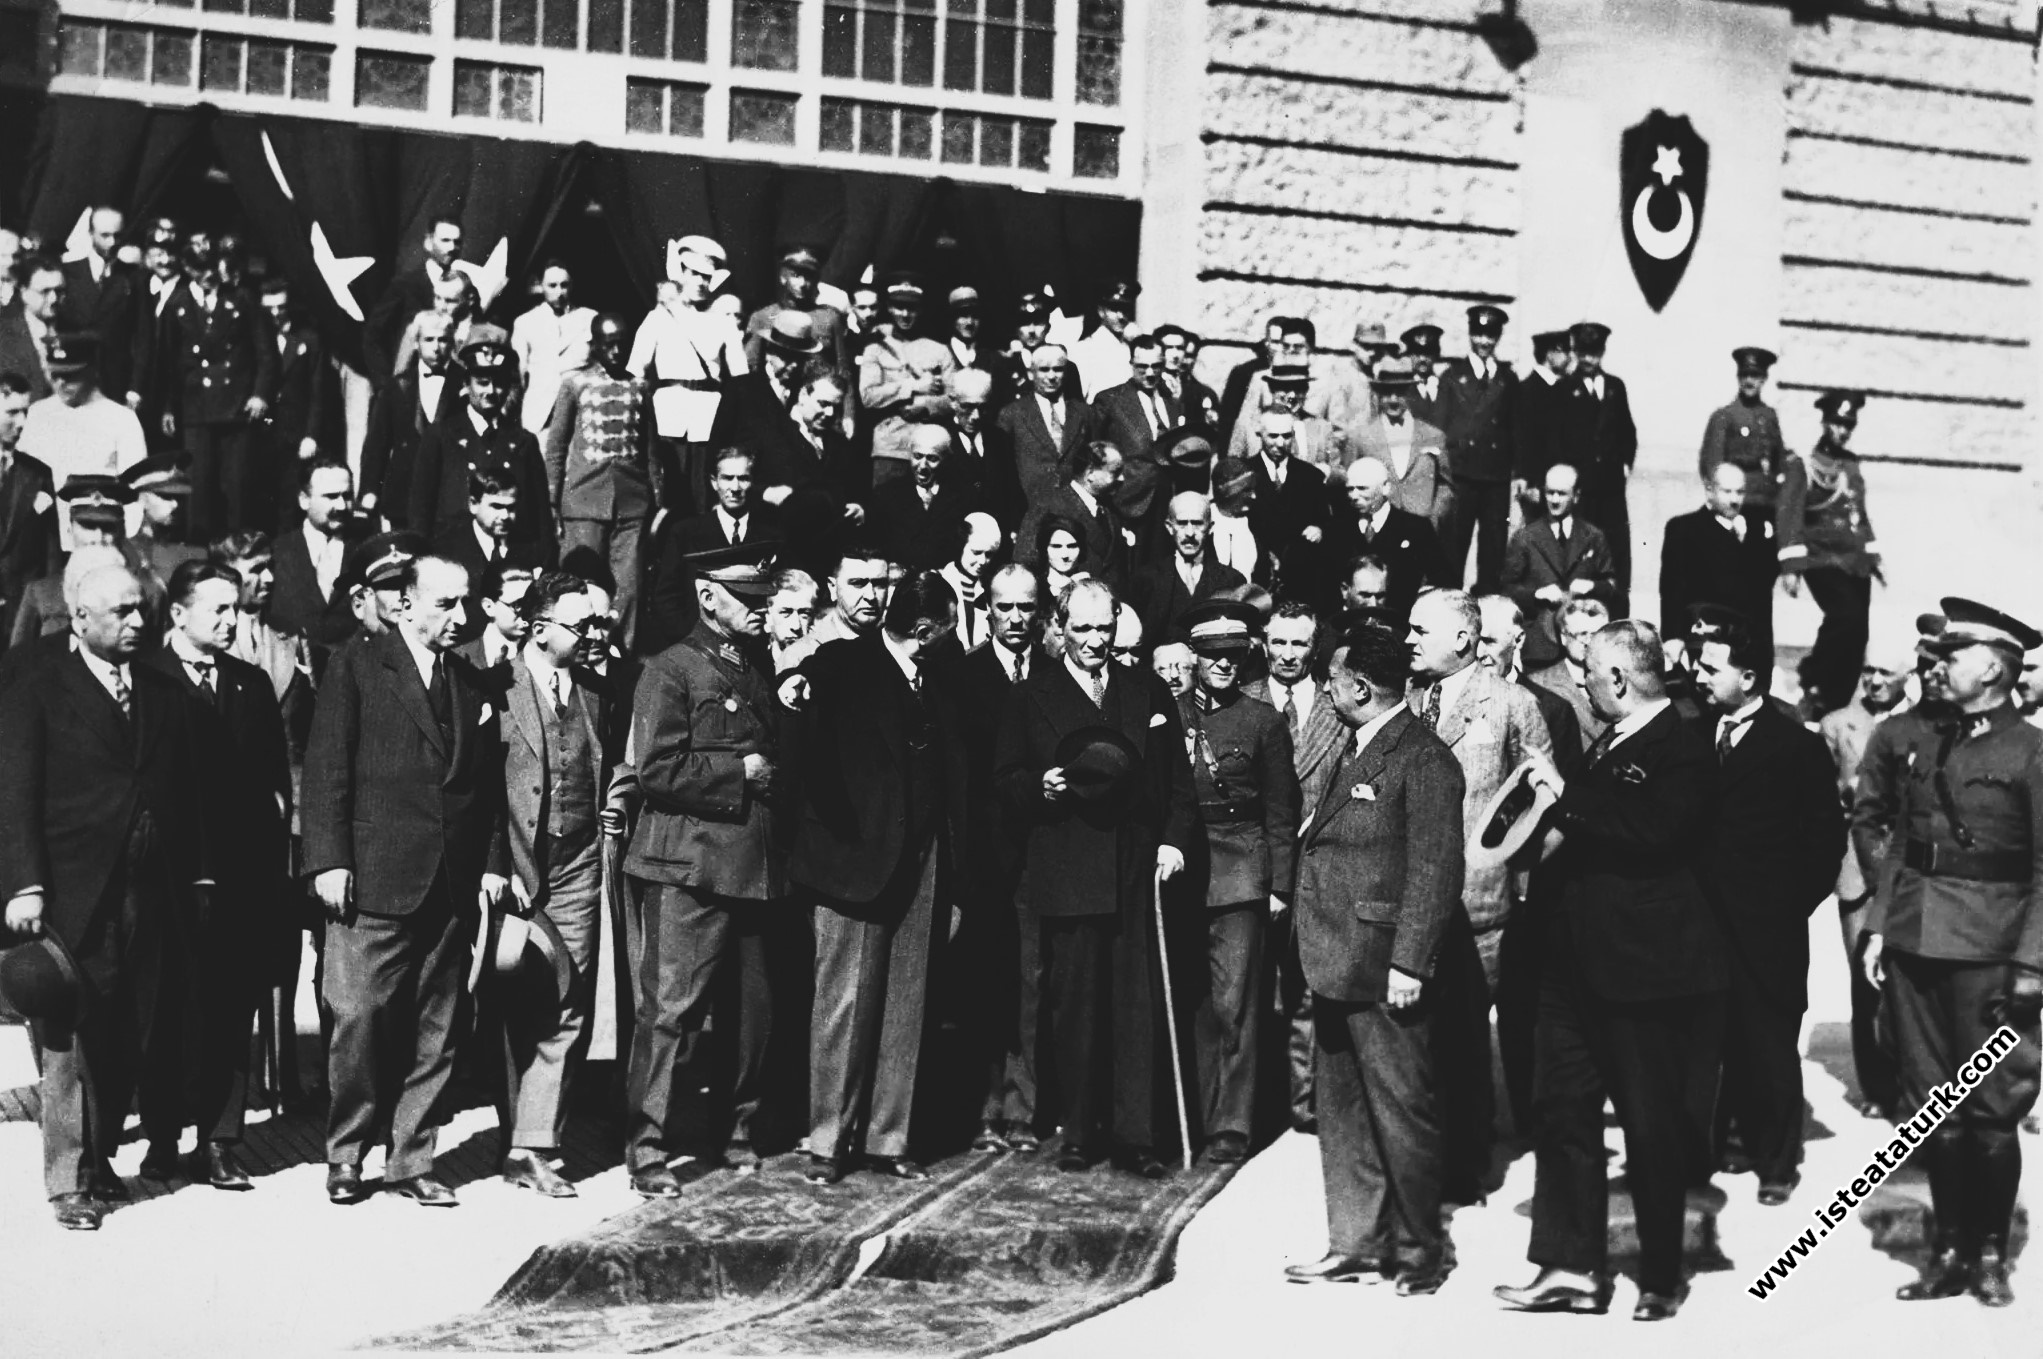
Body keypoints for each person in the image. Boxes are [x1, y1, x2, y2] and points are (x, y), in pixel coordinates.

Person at [1496, 620, 1728, 1322]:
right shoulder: (1612, 742)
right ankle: (1569, 1266)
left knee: (1647, 1123)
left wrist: (1565, 793)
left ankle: (1660, 1274)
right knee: (1561, 1113)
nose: (1584, 679)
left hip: (1641, 973)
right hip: (1570, 969)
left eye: (1591, 670)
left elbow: (1649, 832)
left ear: (1620, 679)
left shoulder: (1681, 751)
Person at [0, 561, 213, 1229]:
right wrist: (25, 885)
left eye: (139, 609)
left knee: (129, 1030)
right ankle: (69, 1181)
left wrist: (200, 873)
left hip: (149, 891)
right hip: (70, 892)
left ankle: (97, 1162)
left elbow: (187, 788)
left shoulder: (159, 685)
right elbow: (15, 793)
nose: (136, 621)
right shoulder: (37, 682)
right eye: (120, 612)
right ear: (81, 619)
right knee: (69, 1035)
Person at [300, 554, 509, 1207]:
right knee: (358, 1014)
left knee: (436, 1026)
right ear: (406, 604)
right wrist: (328, 859)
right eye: (445, 603)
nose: (461, 615)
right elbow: (327, 767)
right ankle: (347, 1151)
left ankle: (411, 1158)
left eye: (466, 602)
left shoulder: (470, 682)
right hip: (373, 877)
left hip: (448, 883)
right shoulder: (357, 667)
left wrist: (495, 863)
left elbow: (487, 788)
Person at [1859, 599, 2043, 1307]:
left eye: (1955, 654)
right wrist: (1880, 925)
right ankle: (1945, 1246)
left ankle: (1989, 1252)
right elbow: (1902, 837)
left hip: (1990, 957)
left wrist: (2030, 965)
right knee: (1930, 1106)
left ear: (1993, 666)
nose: (1939, 664)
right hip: (1915, 945)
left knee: (1991, 1111)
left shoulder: (2030, 750)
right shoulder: (1925, 739)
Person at [1284, 623, 1464, 1294]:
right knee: (1343, 1113)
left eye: (1331, 678)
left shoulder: (1420, 758)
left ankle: (1419, 1252)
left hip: (1381, 968)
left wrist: (1410, 963)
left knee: (1400, 1112)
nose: (1325, 687)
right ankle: (1354, 1241)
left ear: (1359, 686)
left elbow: (1434, 868)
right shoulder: (1359, 745)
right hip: (1335, 961)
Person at [994, 578, 1196, 1176]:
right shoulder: (1030, 696)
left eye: (1103, 628)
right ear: (1059, 629)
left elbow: (1177, 787)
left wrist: (1172, 844)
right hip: (1069, 865)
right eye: (1081, 629)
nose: (1094, 640)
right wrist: (1039, 787)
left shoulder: (1147, 689)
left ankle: (1136, 1135)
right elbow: (1004, 780)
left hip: (1138, 869)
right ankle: (1081, 1134)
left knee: (1137, 1005)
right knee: (1075, 1007)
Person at [622, 542, 790, 1190]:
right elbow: (656, 769)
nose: (759, 609)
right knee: (669, 1012)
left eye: (761, 598)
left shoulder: (759, 666)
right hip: (686, 866)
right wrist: (737, 772)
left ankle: (738, 1129)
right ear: (707, 597)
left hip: (754, 865)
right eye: (746, 598)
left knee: (753, 1014)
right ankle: (647, 1149)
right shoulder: (670, 668)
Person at [789, 572, 965, 1183]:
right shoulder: (839, 665)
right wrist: (841, 843)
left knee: (905, 1005)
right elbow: (807, 759)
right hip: (852, 870)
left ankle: (888, 1140)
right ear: (922, 630)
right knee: (844, 1007)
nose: (953, 640)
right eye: (946, 630)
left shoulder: (939, 678)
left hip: (923, 863)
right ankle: (827, 1143)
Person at [137, 560, 292, 1190]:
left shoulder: (249, 685)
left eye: (238, 610)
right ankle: (162, 1136)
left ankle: (220, 1140)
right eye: (219, 610)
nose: (234, 622)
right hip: (165, 879)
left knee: (230, 1009)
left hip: (238, 879)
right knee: (166, 1006)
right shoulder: (147, 677)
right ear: (179, 613)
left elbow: (273, 784)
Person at [1687, 607, 1844, 1205]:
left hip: (1768, 933)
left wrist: (1781, 910)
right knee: (1712, 1042)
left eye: (1710, 668)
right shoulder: (1697, 735)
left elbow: (1824, 845)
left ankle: (1777, 1162)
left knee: (1769, 1046)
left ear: (1749, 676)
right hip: (1702, 928)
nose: (1699, 678)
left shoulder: (1796, 747)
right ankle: (1723, 1143)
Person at [1405, 587, 1550, 1202]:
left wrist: (1515, 887)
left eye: (1420, 630)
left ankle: (1466, 1169)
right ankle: (1421, 1165)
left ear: (1462, 640)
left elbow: (1540, 806)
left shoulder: (1513, 705)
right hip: (1414, 902)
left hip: (1481, 903)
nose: (1408, 640)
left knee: (1466, 1043)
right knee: (1420, 1041)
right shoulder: (1408, 701)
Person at [490, 571, 628, 1198]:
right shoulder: (495, 685)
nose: (594, 635)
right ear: (540, 630)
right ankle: (511, 1131)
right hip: (513, 868)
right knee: (507, 1001)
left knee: (566, 1002)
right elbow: (477, 788)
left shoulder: (597, 693)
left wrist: (615, 803)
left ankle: (533, 1146)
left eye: (597, 623)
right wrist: (499, 866)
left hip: (577, 867)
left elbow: (617, 766)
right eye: (581, 626)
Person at [1176, 597, 1299, 1165]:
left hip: (1241, 873)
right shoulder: (1170, 712)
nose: (1224, 665)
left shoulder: (1263, 722)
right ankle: (1188, 1113)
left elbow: (1279, 809)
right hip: (1181, 870)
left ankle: (1231, 1123)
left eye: (1233, 655)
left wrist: (1277, 884)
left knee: (1235, 1004)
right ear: (1195, 656)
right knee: (1191, 1000)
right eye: (1212, 655)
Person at [951, 564, 1048, 1150]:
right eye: (1004, 607)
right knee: (985, 983)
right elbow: (961, 780)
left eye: (1026, 608)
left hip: (1040, 855)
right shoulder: (964, 678)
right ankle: (985, 1108)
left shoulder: (1055, 676)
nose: (1015, 619)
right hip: (985, 858)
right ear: (987, 609)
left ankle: (1024, 1111)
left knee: (1032, 983)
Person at [1242, 602, 1345, 1130]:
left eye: (1298, 644)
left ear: (1315, 645)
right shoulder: (1242, 697)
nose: (1286, 655)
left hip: (1318, 872)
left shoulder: (1338, 706)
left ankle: (1305, 1103)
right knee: (1252, 991)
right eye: (1277, 643)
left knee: (1308, 991)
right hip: (1254, 868)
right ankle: (1257, 1105)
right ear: (1264, 642)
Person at [1820, 637, 1913, 1119]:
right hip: (1858, 868)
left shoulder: (1925, 722)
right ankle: (1878, 1087)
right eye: (1869, 670)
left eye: (1886, 673)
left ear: (1907, 677)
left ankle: (1913, 1081)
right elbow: (1819, 792)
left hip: (1913, 868)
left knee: (1912, 982)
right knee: (1866, 978)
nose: (1875, 680)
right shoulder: (1838, 724)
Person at [543, 312, 656, 645]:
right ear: (594, 346)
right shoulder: (574, 385)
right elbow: (556, 448)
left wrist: (658, 504)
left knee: (630, 586)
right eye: (609, 345)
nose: (617, 352)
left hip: (632, 504)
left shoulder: (639, 387)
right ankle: (574, 648)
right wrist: (553, 499)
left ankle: (623, 652)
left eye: (623, 345)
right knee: (578, 582)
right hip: (583, 500)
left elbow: (652, 453)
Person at [155, 241, 277, 540]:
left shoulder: (241, 300)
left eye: (210, 267)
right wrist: (170, 406)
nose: (207, 275)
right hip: (197, 408)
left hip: (236, 408)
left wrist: (260, 393)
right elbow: (171, 361)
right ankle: (198, 552)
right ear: (187, 269)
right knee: (199, 489)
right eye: (199, 268)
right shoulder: (177, 305)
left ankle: (239, 551)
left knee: (237, 488)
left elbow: (266, 353)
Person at [628, 235, 749, 514]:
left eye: (706, 276)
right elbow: (635, 371)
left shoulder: (722, 322)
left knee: (703, 493)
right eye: (694, 273)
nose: (700, 282)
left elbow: (741, 378)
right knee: (667, 491)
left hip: (708, 416)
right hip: (667, 415)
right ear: (681, 273)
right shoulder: (659, 317)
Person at [1779, 390, 1879, 716]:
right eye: (1837, 423)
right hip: (1822, 559)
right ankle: (1813, 679)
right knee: (1844, 618)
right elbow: (1790, 512)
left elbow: (1858, 512)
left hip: (1855, 562)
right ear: (1824, 422)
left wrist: (1873, 554)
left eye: (1848, 425)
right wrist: (1791, 566)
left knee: (1858, 633)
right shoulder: (1805, 465)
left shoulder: (1851, 464)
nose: (1843, 431)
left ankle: (1836, 702)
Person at [410, 340, 554, 565]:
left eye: (498, 384)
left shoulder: (523, 442)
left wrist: (545, 565)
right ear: (466, 384)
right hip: (452, 557)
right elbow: (421, 508)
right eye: (482, 383)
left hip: (511, 560)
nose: (490, 391)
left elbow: (541, 517)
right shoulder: (441, 436)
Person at [642, 446, 783, 656]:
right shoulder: (685, 533)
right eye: (727, 478)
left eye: (743, 478)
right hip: (697, 649)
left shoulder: (771, 536)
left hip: (756, 650)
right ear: (714, 482)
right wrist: (693, 644)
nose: (735, 487)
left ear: (753, 482)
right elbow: (666, 598)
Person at [18, 334, 148, 553]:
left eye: (70, 376)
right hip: (45, 543)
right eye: (55, 375)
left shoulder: (121, 420)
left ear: (92, 371)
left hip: (100, 540)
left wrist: (125, 545)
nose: (61, 383)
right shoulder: (37, 415)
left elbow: (134, 493)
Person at [1659, 461, 1778, 669]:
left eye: (1740, 492)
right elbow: (1672, 587)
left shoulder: (1758, 530)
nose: (1734, 500)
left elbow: (1764, 589)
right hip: (1706, 639)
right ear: (1709, 490)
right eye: (1727, 491)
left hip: (1750, 644)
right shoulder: (1684, 529)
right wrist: (1673, 635)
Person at [1502, 463, 1618, 672]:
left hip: (1582, 642)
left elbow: (1611, 586)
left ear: (1576, 495)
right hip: (1540, 643)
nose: (1554, 500)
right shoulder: (1526, 537)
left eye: (1562, 494)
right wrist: (1537, 594)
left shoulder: (1593, 537)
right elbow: (1508, 590)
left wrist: (1592, 587)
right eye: (1550, 493)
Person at [1435, 305, 1517, 592]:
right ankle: (1453, 599)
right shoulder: (1452, 376)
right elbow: (1441, 427)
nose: (1484, 342)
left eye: (1490, 336)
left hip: (1495, 475)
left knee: (1493, 546)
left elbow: (1513, 427)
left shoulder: (1508, 378)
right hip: (1461, 473)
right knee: (1455, 543)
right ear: (1470, 335)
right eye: (1479, 335)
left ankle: (1487, 599)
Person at [1556, 322, 1637, 606]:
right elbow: (1559, 437)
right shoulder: (1565, 388)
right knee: (1581, 550)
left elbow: (1628, 431)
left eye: (1595, 353)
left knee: (1615, 552)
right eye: (1584, 353)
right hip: (1583, 489)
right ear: (1576, 353)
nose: (1589, 360)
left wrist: (1625, 464)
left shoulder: (1615, 387)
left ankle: (1617, 612)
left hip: (1611, 487)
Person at [860, 273, 957, 490]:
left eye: (911, 308)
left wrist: (924, 406)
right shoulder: (874, 350)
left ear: (921, 310)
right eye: (898, 307)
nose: (905, 314)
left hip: (930, 449)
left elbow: (955, 398)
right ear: (889, 308)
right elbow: (867, 396)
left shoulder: (939, 350)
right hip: (890, 448)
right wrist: (913, 386)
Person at [360, 311, 458, 524]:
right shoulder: (398, 386)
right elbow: (377, 444)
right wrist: (369, 490)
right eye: (429, 339)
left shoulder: (464, 384)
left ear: (452, 343)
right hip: (404, 492)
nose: (436, 347)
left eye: (443, 340)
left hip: (449, 493)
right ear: (416, 343)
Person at [1091, 334, 1182, 558]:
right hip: (1129, 500)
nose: (1150, 373)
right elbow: (1094, 449)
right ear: (1131, 364)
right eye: (1142, 367)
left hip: (1167, 500)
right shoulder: (1110, 400)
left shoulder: (1172, 400)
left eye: (1156, 366)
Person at [267, 458, 362, 669]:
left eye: (347, 496)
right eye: (330, 497)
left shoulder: (366, 551)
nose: (341, 505)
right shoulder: (276, 553)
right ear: (304, 499)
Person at [1324, 459, 1441, 623]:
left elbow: (1442, 579)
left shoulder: (1416, 529)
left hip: (1400, 626)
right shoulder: (1337, 529)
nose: (1354, 496)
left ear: (1386, 487)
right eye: (1350, 489)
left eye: (1362, 488)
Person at [1125, 491, 1246, 648]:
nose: (1190, 533)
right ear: (1169, 527)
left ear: (1210, 528)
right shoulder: (1146, 579)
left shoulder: (1232, 580)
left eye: (1197, 523)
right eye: (1182, 523)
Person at [1351, 358, 1452, 535]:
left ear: (1410, 393)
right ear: (1377, 395)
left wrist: (1434, 517)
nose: (1393, 400)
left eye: (1400, 393)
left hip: (1422, 529)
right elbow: (1351, 485)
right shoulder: (1362, 437)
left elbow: (1446, 485)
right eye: (1387, 393)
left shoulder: (1432, 436)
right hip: (1379, 528)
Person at [867, 424, 983, 573]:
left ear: (946, 459)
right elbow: (875, 546)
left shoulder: (965, 497)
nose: (922, 466)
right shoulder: (885, 495)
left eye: (932, 458)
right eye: (917, 456)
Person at [1017, 440, 1130, 591]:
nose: (1122, 478)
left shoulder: (1110, 510)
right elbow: (1025, 562)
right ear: (1090, 473)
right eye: (1115, 472)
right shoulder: (1048, 506)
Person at [58, 207, 140, 406]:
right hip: (74, 378)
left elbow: (140, 336)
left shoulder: (134, 276)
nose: (112, 243)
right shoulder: (67, 273)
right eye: (105, 235)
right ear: (90, 234)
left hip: (114, 380)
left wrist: (135, 387)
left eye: (117, 236)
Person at [0, 372, 59, 649]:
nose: (21, 423)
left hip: (21, 619)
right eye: (12, 412)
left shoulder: (38, 475)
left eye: (25, 412)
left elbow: (50, 555)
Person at [996, 342, 1092, 513]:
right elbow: (1003, 471)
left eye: (1058, 369)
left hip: (1075, 509)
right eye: (1044, 370)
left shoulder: (1084, 413)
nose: (1052, 376)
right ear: (1031, 373)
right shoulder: (1012, 414)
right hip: (1030, 508)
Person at [366, 217, 463, 383]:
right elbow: (373, 334)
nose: (452, 248)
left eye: (457, 242)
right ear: (428, 242)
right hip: (410, 386)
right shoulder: (406, 284)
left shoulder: (465, 286)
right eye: (445, 240)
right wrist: (386, 384)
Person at [1246, 411, 1330, 603]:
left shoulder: (1311, 476)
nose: (1280, 443)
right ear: (1260, 434)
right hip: (1257, 575)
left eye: (1286, 436)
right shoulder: (1245, 473)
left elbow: (1325, 519)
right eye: (1273, 436)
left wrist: (1319, 528)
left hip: (1300, 577)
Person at [511, 260, 595, 438]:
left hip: (579, 414)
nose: (559, 292)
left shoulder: (588, 318)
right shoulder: (525, 322)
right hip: (541, 417)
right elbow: (518, 375)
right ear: (540, 286)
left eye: (564, 286)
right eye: (552, 286)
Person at [777, 542, 893, 670]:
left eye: (880, 584)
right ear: (833, 588)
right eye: (858, 583)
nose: (870, 596)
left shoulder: (898, 648)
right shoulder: (800, 656)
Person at [1698, 347, 1786, 512]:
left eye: (1755, 376)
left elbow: (1778, 461)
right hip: (1736, 504)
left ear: (1764, 379)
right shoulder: (1724, 417)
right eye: (1744, 375)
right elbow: (1712, 465)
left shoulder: (1769, 417)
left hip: (1767, 503)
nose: (1749, 381)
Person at [743, 246, 849, 377]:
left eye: (809, 277)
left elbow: (842, 368)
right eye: (796, 275)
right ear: (783, 277)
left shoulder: (829, 318)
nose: (803, 283)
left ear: (816, 280)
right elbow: (751, 365)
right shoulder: (763, 317)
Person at [1525, 597, 1612, 751]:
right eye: (1582, 634)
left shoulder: (1617, 680)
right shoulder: (1538, 684)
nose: (1589, 642)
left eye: (1596, 634)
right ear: (1564, 637)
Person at [1510, 328, 1574, 505]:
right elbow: (1522, 439)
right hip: (1536, 486)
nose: (1569, 357)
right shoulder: (1527, 390)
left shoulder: (1564, 387)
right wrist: (1528, 480)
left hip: (1561, 482)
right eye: (1565, 351)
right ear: (1550, 354)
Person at [935, 513, 1001, 654]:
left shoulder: (991, 587)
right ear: (961, 545)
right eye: (976, 552)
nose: (983, 561)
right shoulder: (939, 581)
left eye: (989, 555)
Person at [0, 256, 63, 399]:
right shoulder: (4, 333)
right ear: (24, 291)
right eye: (45, 291)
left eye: (59, 291)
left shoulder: (77, 329)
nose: (53, 298)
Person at [1069, 281, 1139, 398]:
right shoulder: (1085, 349)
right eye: (1114, 309)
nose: (1121, 316)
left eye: (1125, 309)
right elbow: (1077, 400)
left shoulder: (1130, 348)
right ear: (1101, 311)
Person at [765, 567, 820, 671]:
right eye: (785, 612)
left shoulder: (823, 669)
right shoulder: (756, 670)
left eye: (804, 614)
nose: (796, 626)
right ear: (768, 618)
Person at [1399, 323, 1447, 428]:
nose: (1422, 359)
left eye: (1427, 353)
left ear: (1436, 355)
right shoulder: (1401, 388)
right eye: (1416, 353)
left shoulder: (1447, 386)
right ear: (1409, 355)